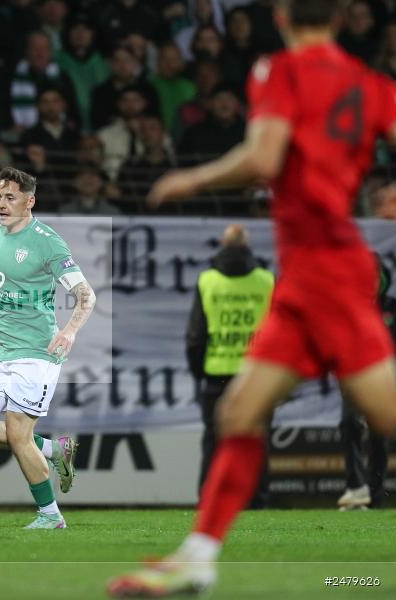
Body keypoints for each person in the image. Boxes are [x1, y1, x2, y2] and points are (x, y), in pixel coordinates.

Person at [108, 1, 396, 596]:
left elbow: (264, 158)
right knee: (238, 411)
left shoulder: (277, 71)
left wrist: (193, 178)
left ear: (284, 15)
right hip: (313, 273)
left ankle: (198, 554)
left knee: (386, 416)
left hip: (329, 272)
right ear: (341, 19)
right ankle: (199, 556)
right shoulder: (374, 87)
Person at [0, 167, 95, 529]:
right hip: (2, 354)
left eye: (10, 197)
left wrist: (70, 331)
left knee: (18, 435)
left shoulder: (47, 241)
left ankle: (50, 515)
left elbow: (86, 295)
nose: (2, 204)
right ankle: (54, 449)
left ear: (29, 201)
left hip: (38, 354)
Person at [185, 224, 274, 506]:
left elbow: (196, 335)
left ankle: (210, 499)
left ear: (222, 244)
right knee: (255, 439)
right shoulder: (266, 281)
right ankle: (257, 500)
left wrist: (199, 371)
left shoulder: (208, 280)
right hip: (256, 375)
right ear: (248, 246)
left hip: (217, 373)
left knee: (214, 440)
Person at [337, 257, 393, 510]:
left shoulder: (391, 308)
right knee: (349, 423)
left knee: (379, 439)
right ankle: (356, 489)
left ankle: (375, 494)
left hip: (384, 379)